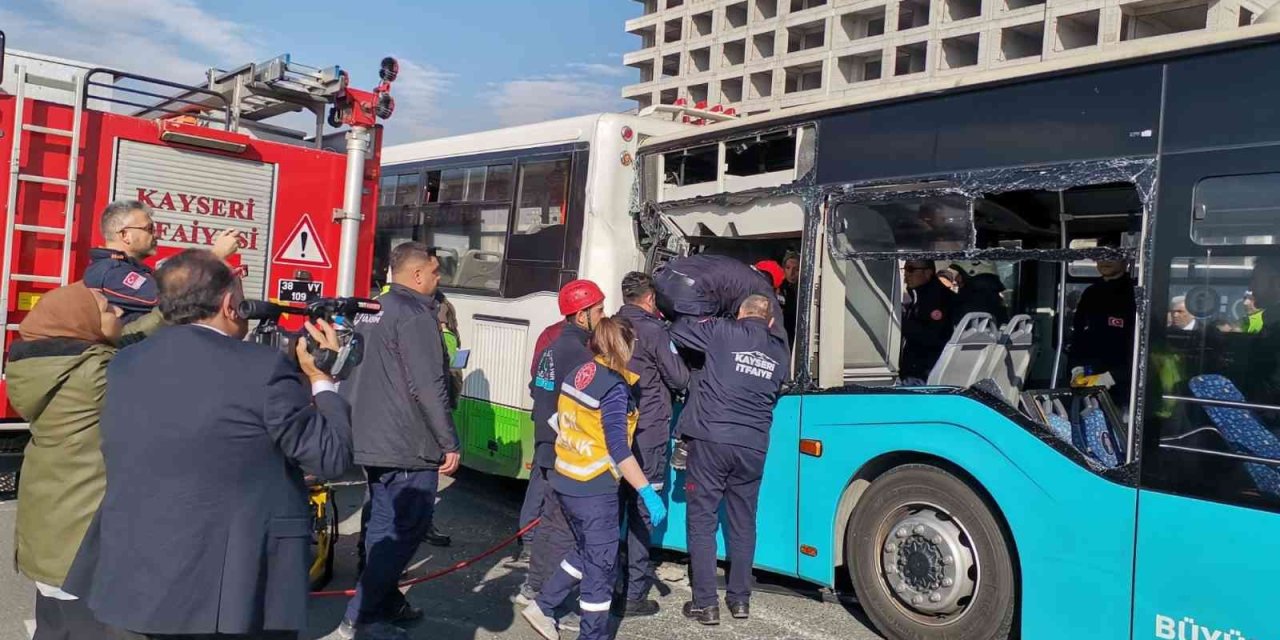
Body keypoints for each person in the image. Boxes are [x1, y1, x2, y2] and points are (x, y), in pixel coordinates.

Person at [62, 249, 352, 640]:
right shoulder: (263, 368)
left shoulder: (125, 364)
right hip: (230, 588)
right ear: (231, 306)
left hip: (135, 575)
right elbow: (331, 457)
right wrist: (321, 379)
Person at [338, 241, 461, 640]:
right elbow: (429, 385)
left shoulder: (372, 309)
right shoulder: (415, 314)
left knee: (381, 527)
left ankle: (384, 602)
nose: (439, 278)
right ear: (418, 274)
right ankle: (362, 617)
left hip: (373, 437)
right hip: (408, 442)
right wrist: (449, 441)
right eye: (436, 270)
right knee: (407, 527)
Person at [520, 317, 668, 640]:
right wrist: (646, 491)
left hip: (566, 478)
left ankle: (543, 605)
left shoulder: (581, 373)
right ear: (625, 345)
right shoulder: (614, 389)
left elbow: (561, 419)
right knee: (601, 569)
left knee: (586, 551)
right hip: (594, 489)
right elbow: (619, 449)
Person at [7, 284, 136, 639]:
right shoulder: (97, 371)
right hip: (83, 544)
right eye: (109, 309)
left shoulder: (37, 367)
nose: (120, 314)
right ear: (81, 323)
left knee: (53, 626)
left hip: (49, 532)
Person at [670, 295, 790, 625]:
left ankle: (705, 604)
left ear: (740, 315)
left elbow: (680, 331)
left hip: (711, 439)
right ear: (768, 321)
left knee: (702, 518)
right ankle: (740, 600)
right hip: (753, 445)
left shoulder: (723, 332)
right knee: (743, 521)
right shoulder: (780, 352)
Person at [517, 280, 605, 608]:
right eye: (598, 310)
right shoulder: (581, 355)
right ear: (582, 316)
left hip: (547, 444)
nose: (603, 314)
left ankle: (535, 586)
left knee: (548, 524)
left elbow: (540, 393)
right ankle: (549, 602)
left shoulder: (552, 348)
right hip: (566, 452)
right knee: (563, 530)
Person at [615, 272, 690, 616]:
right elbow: (679, 376)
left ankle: (611, 584)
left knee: (613, 511)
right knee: (642, 512)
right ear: (649, 300)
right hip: (648, 431)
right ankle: (634, 594)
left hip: (613, 430)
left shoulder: (609, 326)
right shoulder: (655, 331)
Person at [83, 200, 240, 327]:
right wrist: (214, 256)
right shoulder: (110, 271)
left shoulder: (124, 268)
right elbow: (172, 297)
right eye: (149, 229)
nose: (156, 234)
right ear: (125, 235)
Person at [651, 253, 787, 342]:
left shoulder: (734, 267)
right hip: (690, 293)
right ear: (774, 285)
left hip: (661, 280)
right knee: (713, 342)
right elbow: (776, 331)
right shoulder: (761, 285)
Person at [1067, 241, 1136, 406]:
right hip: (1091, 372)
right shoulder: (1091, 293)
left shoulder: (1135, 292)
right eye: (1100, 256)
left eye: (1112, 256)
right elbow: (1079, 333)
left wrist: (1112, 376)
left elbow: (1139, 345)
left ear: (1125, 260)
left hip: (1123, 380)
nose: (1105, 261)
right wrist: (1078, 369)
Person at [899, 260, 957, 384]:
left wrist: (899, 322)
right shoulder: (919, 297)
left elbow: (932, 337)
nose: (906, 274)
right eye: (905, 270)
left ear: (928, 273)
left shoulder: (938, 300)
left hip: (924, 374)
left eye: (910, 269)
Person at [948, 260, 1009, 326]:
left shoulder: (966, 303)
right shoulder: (996, 300)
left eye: (959, 274)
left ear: (970, 274)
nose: (956, 279)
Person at [778, 252, 800, 342]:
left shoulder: (805, 287)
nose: (791, 273)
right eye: (788, 268)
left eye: (796, 269)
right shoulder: (780, 289)